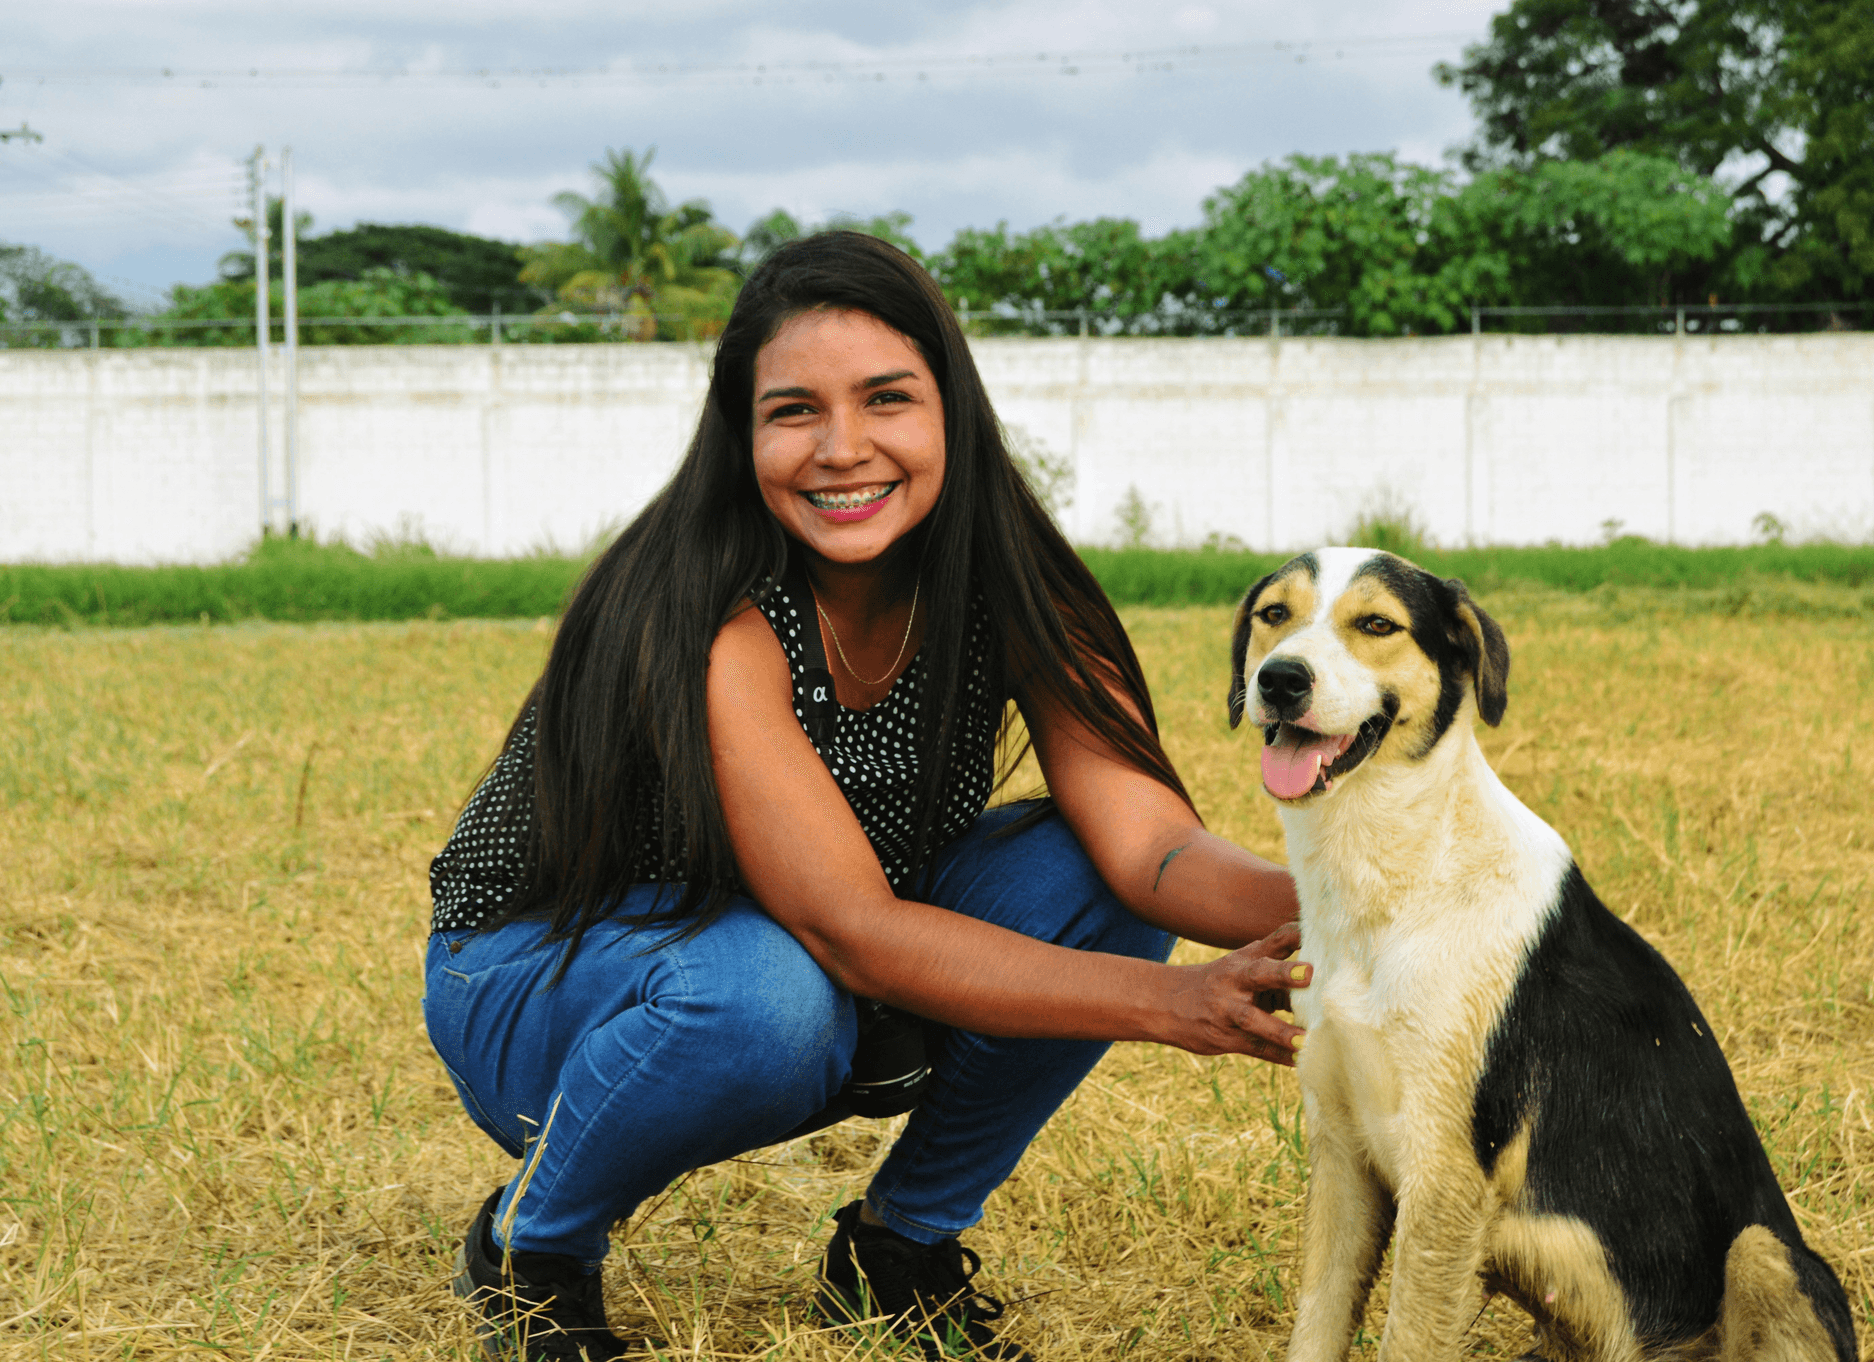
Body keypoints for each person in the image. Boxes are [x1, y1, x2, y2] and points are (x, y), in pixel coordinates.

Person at [422, 231, 1310, 1362]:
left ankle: (898, 1248)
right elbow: (850, 929)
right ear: (741, 432)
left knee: (1081, 875)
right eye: (793, 411)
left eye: (885, 399)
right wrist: (1168, 1004)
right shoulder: (699, 613)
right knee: (763, 997)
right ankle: (531, 1248)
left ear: (950, 408)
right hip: (541, 973)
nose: (842, 450)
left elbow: (1151, 850)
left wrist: (1348, 906)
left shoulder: (1014, 583)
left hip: (795, 947)